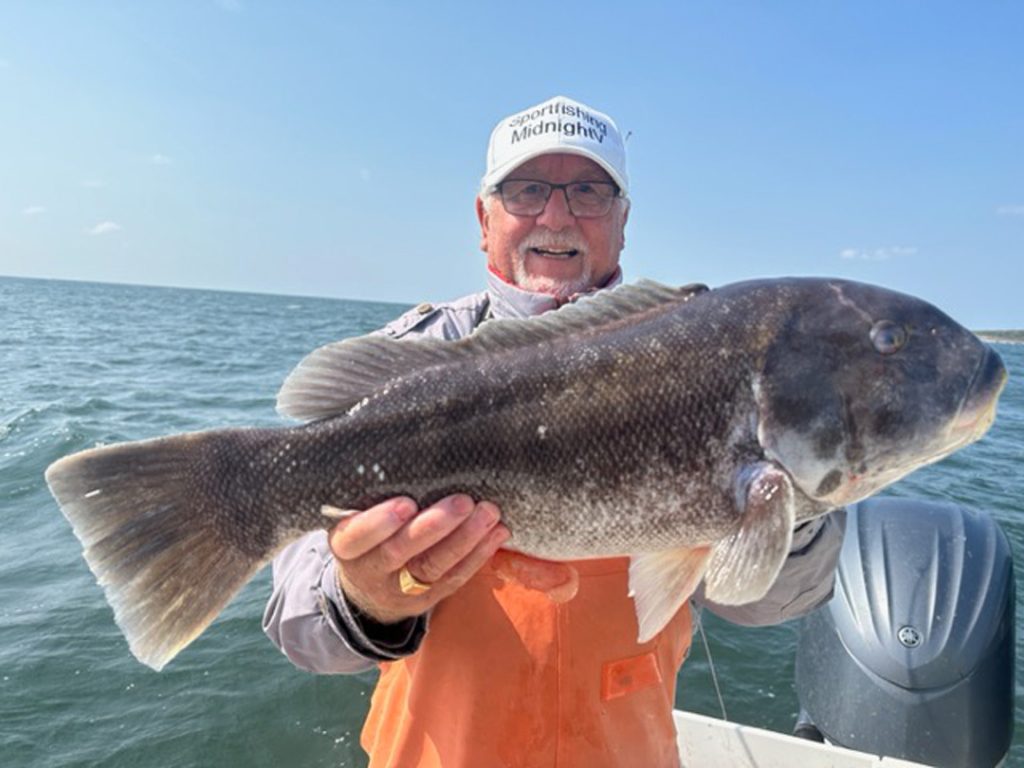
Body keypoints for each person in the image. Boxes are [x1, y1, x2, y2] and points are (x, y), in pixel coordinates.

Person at [263, 95, 844, 767]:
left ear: (622, 222)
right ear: (485, 219)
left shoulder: (711, 357)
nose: (558, 214)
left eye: (589, 192)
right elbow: (298, 630)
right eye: (527, 189)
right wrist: (367, 596)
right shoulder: (410, 366)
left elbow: (769, 603)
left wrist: (783, 502)